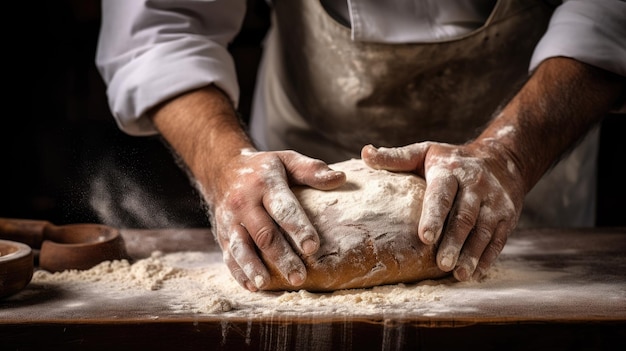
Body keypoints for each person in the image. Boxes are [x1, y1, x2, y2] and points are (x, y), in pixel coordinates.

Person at [95, 0, 625, 292]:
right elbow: (162, 24)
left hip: (531, 156)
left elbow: (610, 15)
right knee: (296, 243)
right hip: (300, 158)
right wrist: (224, 165)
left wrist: (510, 154)